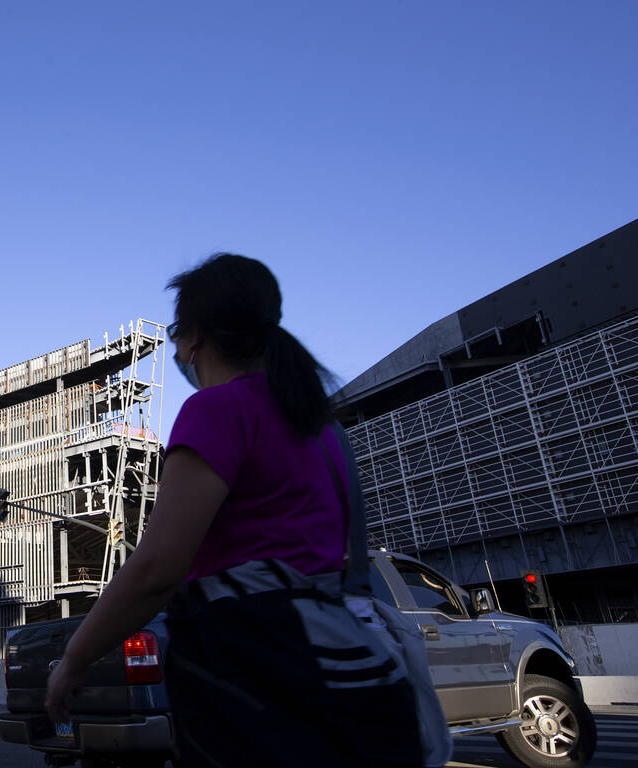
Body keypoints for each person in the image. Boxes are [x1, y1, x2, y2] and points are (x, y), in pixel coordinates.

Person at [45, 254, 423, 767]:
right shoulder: (321, 427)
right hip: (338, 674)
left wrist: (74, 658)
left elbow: (158, 568)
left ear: (196, 336)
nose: (178, 350)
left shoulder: (215, 411)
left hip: (256, 684)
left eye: (178, 333)